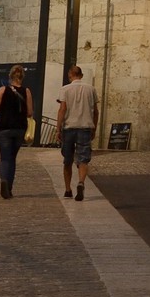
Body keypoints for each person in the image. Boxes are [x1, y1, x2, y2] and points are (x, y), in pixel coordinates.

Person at [56, 64, 99, 201]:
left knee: (67, 160)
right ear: (81, 75)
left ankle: (68, 189)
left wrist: (58, 128)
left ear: (70, 76)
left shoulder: (65, 89)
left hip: (69, 127)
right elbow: (96, 111)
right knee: (83, 158)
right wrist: (94, 128)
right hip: (85, 127)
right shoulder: (91, 89)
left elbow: (63, 108)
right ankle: (81, 183)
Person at [0, 64, 32, 199]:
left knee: (5, 158)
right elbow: (30, 112)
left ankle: (4, 180)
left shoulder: (3, 90)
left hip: (4, 128)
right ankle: (9, 187)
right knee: (12, 158)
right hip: (19, 128)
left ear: (10, 76)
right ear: (22, 77)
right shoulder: (26, 91)